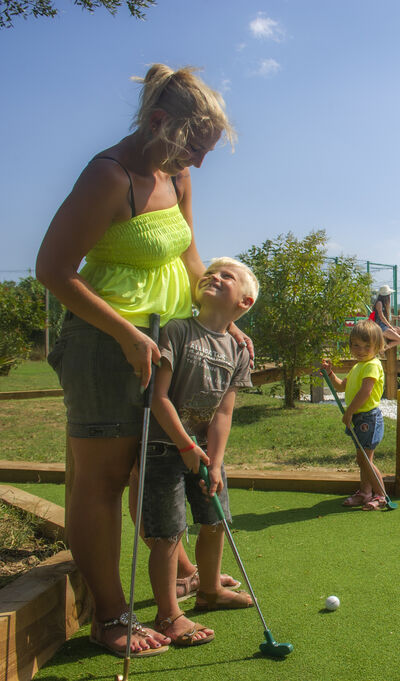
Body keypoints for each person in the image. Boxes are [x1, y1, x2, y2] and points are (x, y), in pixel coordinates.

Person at [36, 63, 243, 658]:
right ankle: (110, 615)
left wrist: (227, 325)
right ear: (158, 120)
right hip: (104, 345)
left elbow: (192, 263)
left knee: (151, 469)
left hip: (168, 345)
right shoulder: (108, 176)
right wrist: (126, 333)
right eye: (193, 146)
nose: (198, 162)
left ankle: (178, 576)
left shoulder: (176, 180)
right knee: (101, 481)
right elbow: (53, 271)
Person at [143, 257, 258, 646]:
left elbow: (224, 411)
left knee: (214, 522)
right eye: (211, 272)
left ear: (245, 303)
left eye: (228, 276)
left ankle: (208, 590)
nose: (214, 276)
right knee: (168, 534)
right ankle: (168, 615)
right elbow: (158, 398)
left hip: (206, 453)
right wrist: (185, 445)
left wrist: (217, 460)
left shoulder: (238, 349)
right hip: (164, 447)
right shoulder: (176, 331)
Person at [321, 320, 389, 510]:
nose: (361, 350)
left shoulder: (372, 365)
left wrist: (349, 411)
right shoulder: (359, 366)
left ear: (378, 347)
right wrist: (330, 374)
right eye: (356, 345)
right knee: (362, 459)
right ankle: (366, 493)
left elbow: (366, 392)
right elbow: (343, 386)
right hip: (360, 418)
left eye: (367, 346)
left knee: (365, 459)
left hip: (368, 418)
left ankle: (381, 495)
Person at [373, 284, 400, 361]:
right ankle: (382, 350)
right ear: (386, 295)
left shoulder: (384, 303)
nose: (390, 295)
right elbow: (382, 317)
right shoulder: (379, 303)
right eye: (389, 294)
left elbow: (387, 316)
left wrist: (398, 317)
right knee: (399, 339)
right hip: (380, 327)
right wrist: (391, 327)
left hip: (386, 326)